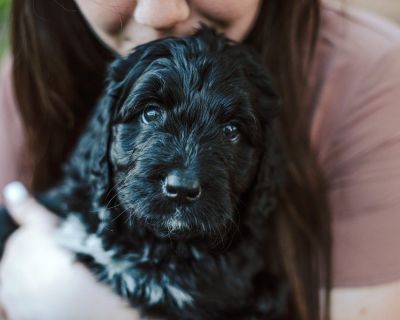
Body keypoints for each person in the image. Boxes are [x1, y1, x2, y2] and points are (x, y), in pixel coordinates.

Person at [0, 0, 400, 319]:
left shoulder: (375, 81)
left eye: (230, 132)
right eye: (151, 114)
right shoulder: (18, 91)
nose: (160, 13)